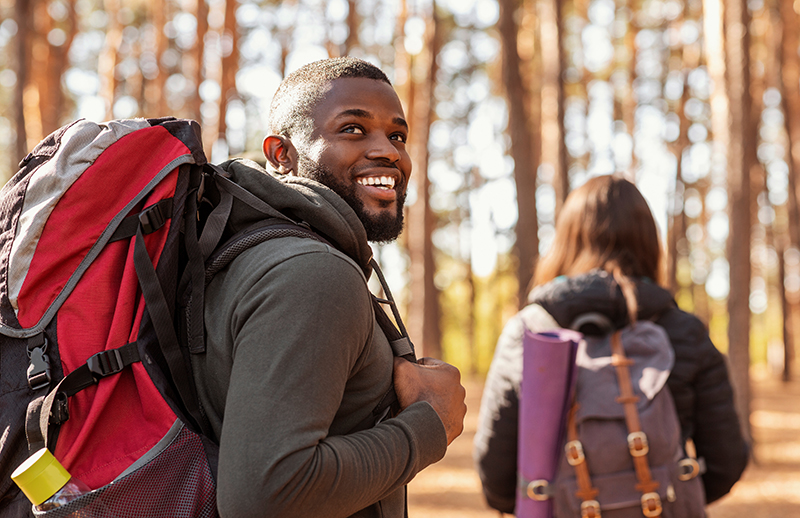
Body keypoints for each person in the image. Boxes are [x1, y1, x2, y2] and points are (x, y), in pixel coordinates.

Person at [192, 57, 467, 518]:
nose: (389, 152)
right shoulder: (312, 274)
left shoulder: (251, 254)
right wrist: (430, 423)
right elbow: (266, 495)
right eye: (354, 130)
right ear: (282, 154)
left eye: (397, 135)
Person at [473, 175, 748, 514]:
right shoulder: (683, 331)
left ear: (566, 241)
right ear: (649, 243)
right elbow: (726, 461)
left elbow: (496, 478)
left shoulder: (530, 332)